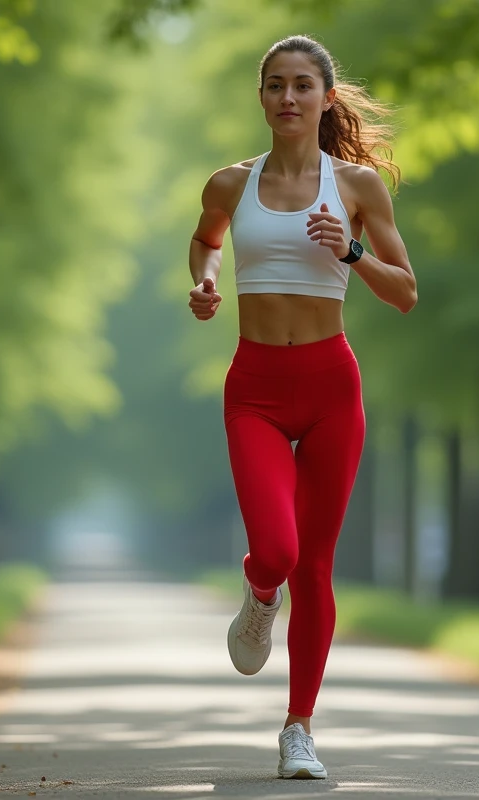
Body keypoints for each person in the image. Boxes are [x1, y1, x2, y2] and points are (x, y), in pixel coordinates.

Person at [186, 34, 416, 779]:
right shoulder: (229, 182)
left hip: (329, 387)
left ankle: (299, 728)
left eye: (302, 86)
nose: (288, 98)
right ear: (261, 97)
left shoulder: (355, 187)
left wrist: (348, 251)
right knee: (278, 554)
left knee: (314, 566)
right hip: (254, 385)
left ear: (325, 97)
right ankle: (259, 593)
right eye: (275, 86)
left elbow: (406, 292)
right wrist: (207, 280)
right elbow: (205, 241)